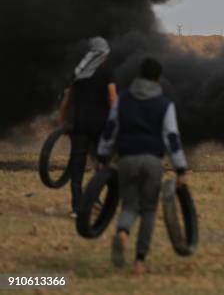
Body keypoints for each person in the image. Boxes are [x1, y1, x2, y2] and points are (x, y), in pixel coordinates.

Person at [97, 58, 188, 275]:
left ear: (139, 75)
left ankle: (122, 233)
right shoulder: (165, 104)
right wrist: (181, 168)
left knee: (129, 205)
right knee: (148, 209)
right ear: (158, 79)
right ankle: (139, 262)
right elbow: (172, 138)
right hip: (152, 161)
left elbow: (110, 129)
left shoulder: (123, 99)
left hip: (126, 158)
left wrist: (102, 157)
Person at [59, 37, 116, 218]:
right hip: (101, 125)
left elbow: (67, 97)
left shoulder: (79, 70)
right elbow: (112, 98)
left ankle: (77, 208)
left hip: (80, 124)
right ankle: (100, 201)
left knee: (77, 166)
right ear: (103, 53)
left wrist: (62, 118)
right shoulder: (107, 70)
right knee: (103, 164)